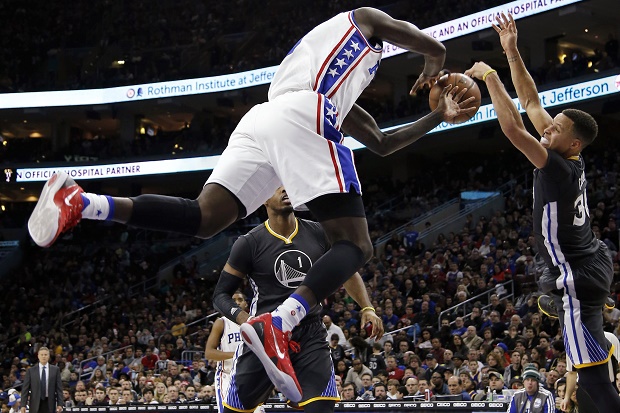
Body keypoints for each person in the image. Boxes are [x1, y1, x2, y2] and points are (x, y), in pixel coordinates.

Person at [28, 8, 473, 402]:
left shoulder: (335, 83)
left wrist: (438, 116)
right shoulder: (361, 22)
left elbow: (381, 141)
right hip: (302, 113)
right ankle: (278, 323)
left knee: (204, 217)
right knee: (356, 245)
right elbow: (410, 35)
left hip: (262, 120)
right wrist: (435, 63)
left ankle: (83, 202)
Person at [465, 12, 620, 412]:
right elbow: (532, 102)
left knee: (592, 378)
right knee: (544, 276)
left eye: (554, 129)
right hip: (592, 258)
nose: (546, 130)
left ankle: (563, 300)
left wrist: (491, 78)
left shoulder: (554, 166)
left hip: (576, 276)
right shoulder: (568, 154)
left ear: (574, 145)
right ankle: (562, 298)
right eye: (550, 126)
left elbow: (514, 128)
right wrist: (512, 52)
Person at [211, 187, 384, 412]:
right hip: (266, 337)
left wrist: (367, 307)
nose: (284, 189)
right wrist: (249, 322)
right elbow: (220, 295)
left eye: (286, 184)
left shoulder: (319, 232)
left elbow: (348, 271)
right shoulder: (248, 243)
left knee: (321, 407)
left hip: (310, 333)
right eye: (275, 186)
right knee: (236, 410)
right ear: (262, 198)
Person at [204, 292, 250, 413]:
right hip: (227, 375)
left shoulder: (254, 322)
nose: (236, 302)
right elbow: (209, 353)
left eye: (240, 299)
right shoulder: (221, 322)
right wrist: (236, 354)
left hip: (249, 375)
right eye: (233, 300)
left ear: (246, 303)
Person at [21, 347, 63, 413]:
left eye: (46, 355)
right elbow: (25, 389)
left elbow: (59, 389)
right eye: (42, 355)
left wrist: (60, 404)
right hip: (35, 403)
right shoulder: (31, 370)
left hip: (50, 403)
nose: (44, 356)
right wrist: (23, 405)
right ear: (38, 356)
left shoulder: (55, 370)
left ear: (49, 356)